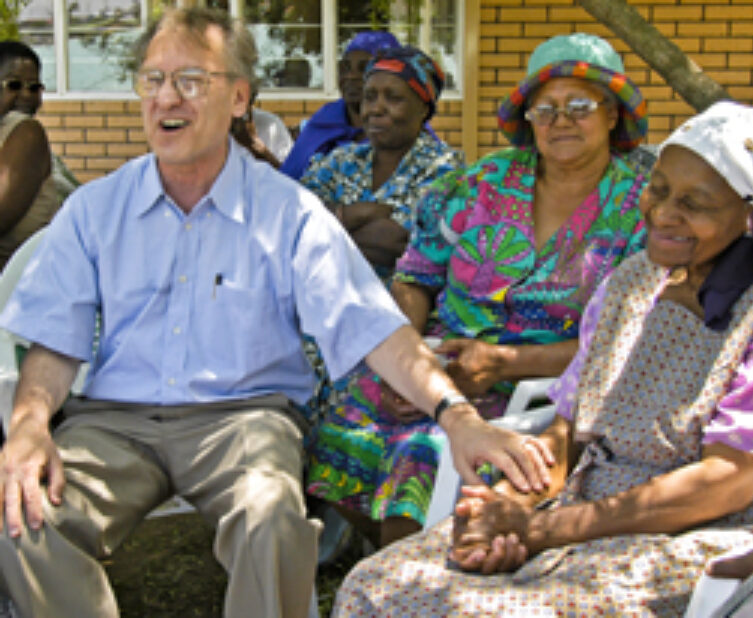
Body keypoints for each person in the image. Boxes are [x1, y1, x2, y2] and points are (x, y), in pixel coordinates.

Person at [0, 8, 551, 618]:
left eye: (190, 79)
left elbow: (372, 325)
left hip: (244, 419)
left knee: (274, 521)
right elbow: (55, 342)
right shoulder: (96, 209)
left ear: (238, 97)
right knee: (20, 515)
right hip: (113, 422)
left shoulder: (290, 212)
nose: (165, 99)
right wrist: (28, 425)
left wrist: (457, 415)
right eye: (152, 80)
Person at [330, 100, 753, 616]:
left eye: (694, 204)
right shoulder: (632, 283)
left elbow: (725, 484)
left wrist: (542, 530)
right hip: (576, 511)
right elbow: (566, 433)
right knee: (376, 585)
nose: (662, 212)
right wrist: (507, 508)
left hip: (690, 536)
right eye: (657, 189)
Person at [306, 33, 649, 548]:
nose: (561, 120)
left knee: (421, 452)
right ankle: (391, 558)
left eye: (580, 105)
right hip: (440, 358)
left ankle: (410, 573)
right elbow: (415, 275)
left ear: (613, 114)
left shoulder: (639, 209)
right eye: (545, 108)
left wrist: (502, 364)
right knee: (339, 422)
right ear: (528, 118)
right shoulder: (485, 180)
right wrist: (414, 362)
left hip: (538, 380)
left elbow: (623, 342)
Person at [301, 45, 463, 280]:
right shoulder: (342, 159)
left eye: (394, 98)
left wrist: (324, 226)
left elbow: (394, 243)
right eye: (369, 97)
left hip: (402, 312)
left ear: (423, 109)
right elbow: (293, 217)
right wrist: (352, 215)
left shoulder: (445, 168)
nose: (376, 109)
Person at [279, 30, 401, 180]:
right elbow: (288, 181)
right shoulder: (323, 122)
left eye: (364, 68)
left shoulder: (407, 132)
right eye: (345, 68)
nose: (351, 76)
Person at [0, 40, 78, 270]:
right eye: (14, 85)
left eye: (34, 88)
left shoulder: (26, 132)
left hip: (22, 287)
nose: (26, 95)